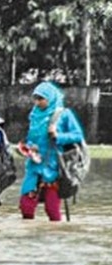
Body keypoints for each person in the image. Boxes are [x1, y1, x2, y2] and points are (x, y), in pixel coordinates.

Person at [18, 81, 85, 221]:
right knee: (26, 207)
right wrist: (29, 147)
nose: (37, 102)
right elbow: (31, 138)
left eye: (41, 99)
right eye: (35, 99)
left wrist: (58, 136)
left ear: (50, 98)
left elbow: (77, 135)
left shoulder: (64, 115)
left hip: (54, 169)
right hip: (34, 166)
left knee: (52, 210)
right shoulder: (34, 116)